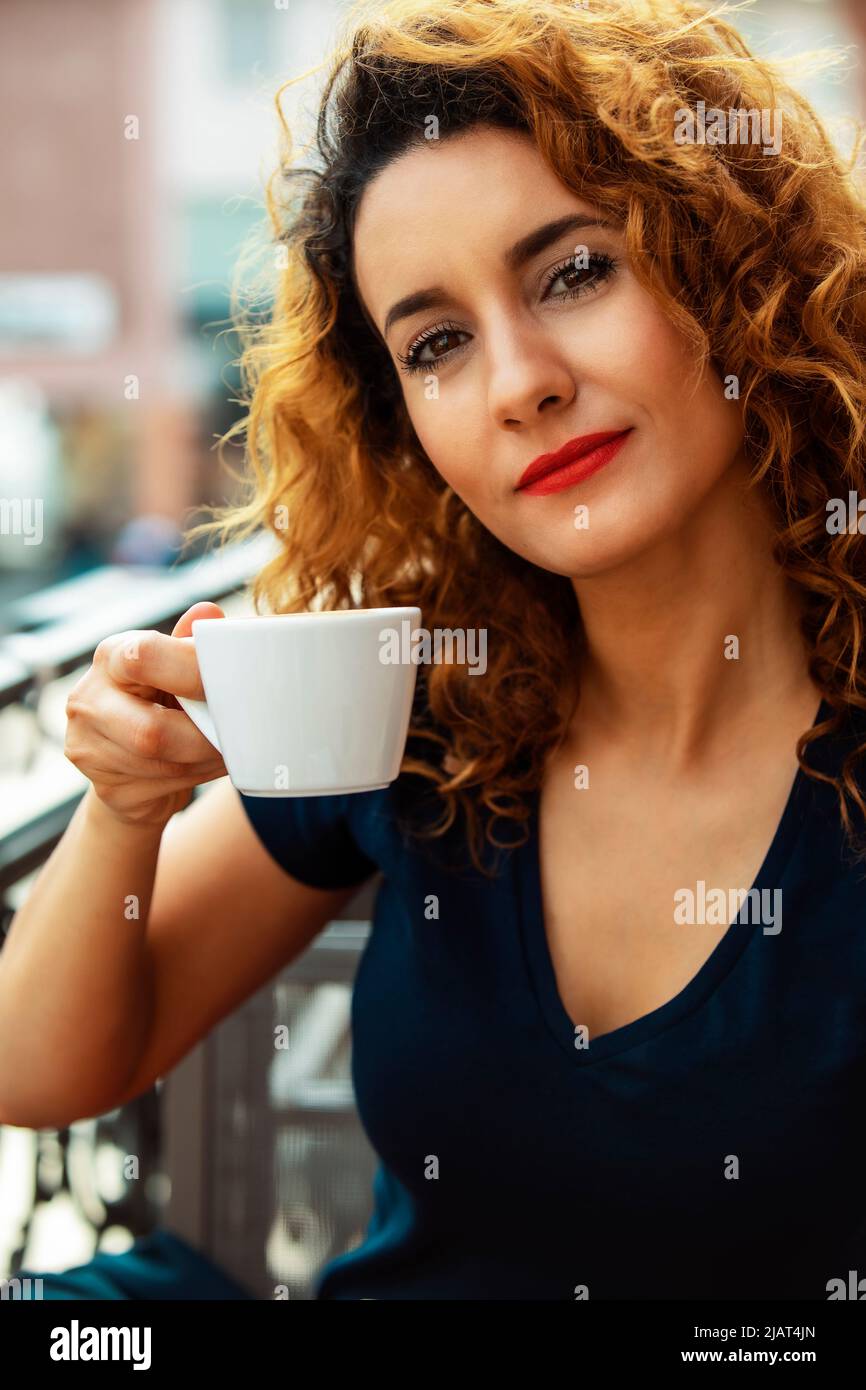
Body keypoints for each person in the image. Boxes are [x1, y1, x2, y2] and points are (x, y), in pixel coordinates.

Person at [2, 0, 866, 1300]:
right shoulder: (423, 703)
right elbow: (43, 1068)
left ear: (726, 259)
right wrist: (125, 809)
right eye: (436, 343)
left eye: (573, 271)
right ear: (403, 418)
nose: (518, 381)